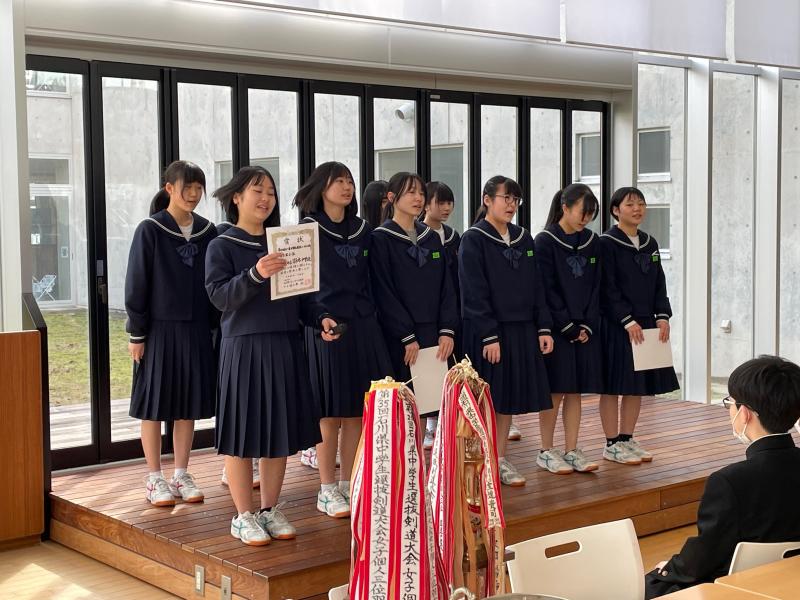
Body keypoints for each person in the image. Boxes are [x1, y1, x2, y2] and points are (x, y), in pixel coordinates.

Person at [205, 166, 321, 546]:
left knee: (278, 431)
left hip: (285, 344)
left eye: (270, 191)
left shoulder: (284, 241)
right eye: (257, 191)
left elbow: (302, 297)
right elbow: (219, 297)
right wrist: (255, 274)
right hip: (243, 347)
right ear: (236, 197)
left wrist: (321, 319)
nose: (266, 198)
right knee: (241, 433)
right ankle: (242, 516)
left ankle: (269, 509)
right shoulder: (222, 245)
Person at [645, 355, 800, 598]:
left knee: (647, 585)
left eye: (730, 403)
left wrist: (667, 569)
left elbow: (705, 556)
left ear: (745, 413)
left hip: (735, 586)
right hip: (788, 578)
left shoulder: (729, 481)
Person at [295, 161, 393, 519]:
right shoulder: (307, 230)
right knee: (329, 413)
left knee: (356, 412)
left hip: (363, 326)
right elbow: (302, 286)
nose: (347, 187)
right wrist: (318, 318)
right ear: (322, 188)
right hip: (325, 328)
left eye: (350, 180)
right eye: (339, 181)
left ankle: (351, 483)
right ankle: (326, 488)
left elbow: (374, 280)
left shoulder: (364, 230)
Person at [125, 160, 217, 507]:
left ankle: (181, 473)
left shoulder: (209, 231)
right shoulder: (150, 229)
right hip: (158, 331)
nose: (193, 194)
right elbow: (137, 283)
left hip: (197, 330)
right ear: (169, 189)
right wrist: (137, 334)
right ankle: (154, 477)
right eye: (187, 187)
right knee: (153, 405)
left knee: (187, 406)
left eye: (198, 188)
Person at [459, 175, 554, 486]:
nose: (511, 204)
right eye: (506, 198)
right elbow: (473, 291)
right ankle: (479, 463)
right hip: (488, 332)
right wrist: (489, 334)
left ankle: (499, 459)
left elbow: (537, 286)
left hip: (521, 329)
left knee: (507, 398)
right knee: (486, 400)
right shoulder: (473, 239)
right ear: (487, 200)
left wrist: (543, 327)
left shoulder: (524, 238)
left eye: (515, 199)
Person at [599, 187, 679, 465]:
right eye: (630, 204)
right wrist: (625, 318)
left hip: (645, 323)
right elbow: (607, 287)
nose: (637, 209)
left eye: (641, 204)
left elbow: (659, 282)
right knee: (612, 385)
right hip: (616, 325)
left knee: (636, 386)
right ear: (615, 210)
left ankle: (627, 438)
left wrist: (662, 315)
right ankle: (611, 443)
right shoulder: (606, 243)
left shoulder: (650, 243)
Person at [534, 184, 603, 474]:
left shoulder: (592, 241)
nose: (586, 218)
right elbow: (545, 289)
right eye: (582, 212)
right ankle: (546, 450)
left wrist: (586, 324)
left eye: (591, 214)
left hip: (585, 329)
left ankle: (572, 449)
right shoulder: (545, 241)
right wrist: (566, 325)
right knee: (555, 392)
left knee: (575, 392)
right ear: (565, 207)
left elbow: (596, 286)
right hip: (556, 329)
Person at [370, 171, 458, 387]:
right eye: (411, 192)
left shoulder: (431, 237)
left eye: (421, 193)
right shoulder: (381, 239)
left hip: (435, 334)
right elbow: (383, 292)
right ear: (392, 197)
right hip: (399, 337)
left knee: (435, 398)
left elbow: (447, 286)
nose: (418, 198)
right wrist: (406, 335)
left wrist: (447, 330)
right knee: (405, 399)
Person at [421, 181, 461, 449]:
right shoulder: (418, 236)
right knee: (428, 369)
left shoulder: (455, 237)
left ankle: (444, 420)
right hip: (427, 313)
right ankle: (429, 423)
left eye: (449, 203)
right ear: (426, 204)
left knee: (450, 365)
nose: (446, 208)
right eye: (440, 202)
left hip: (452, 309)